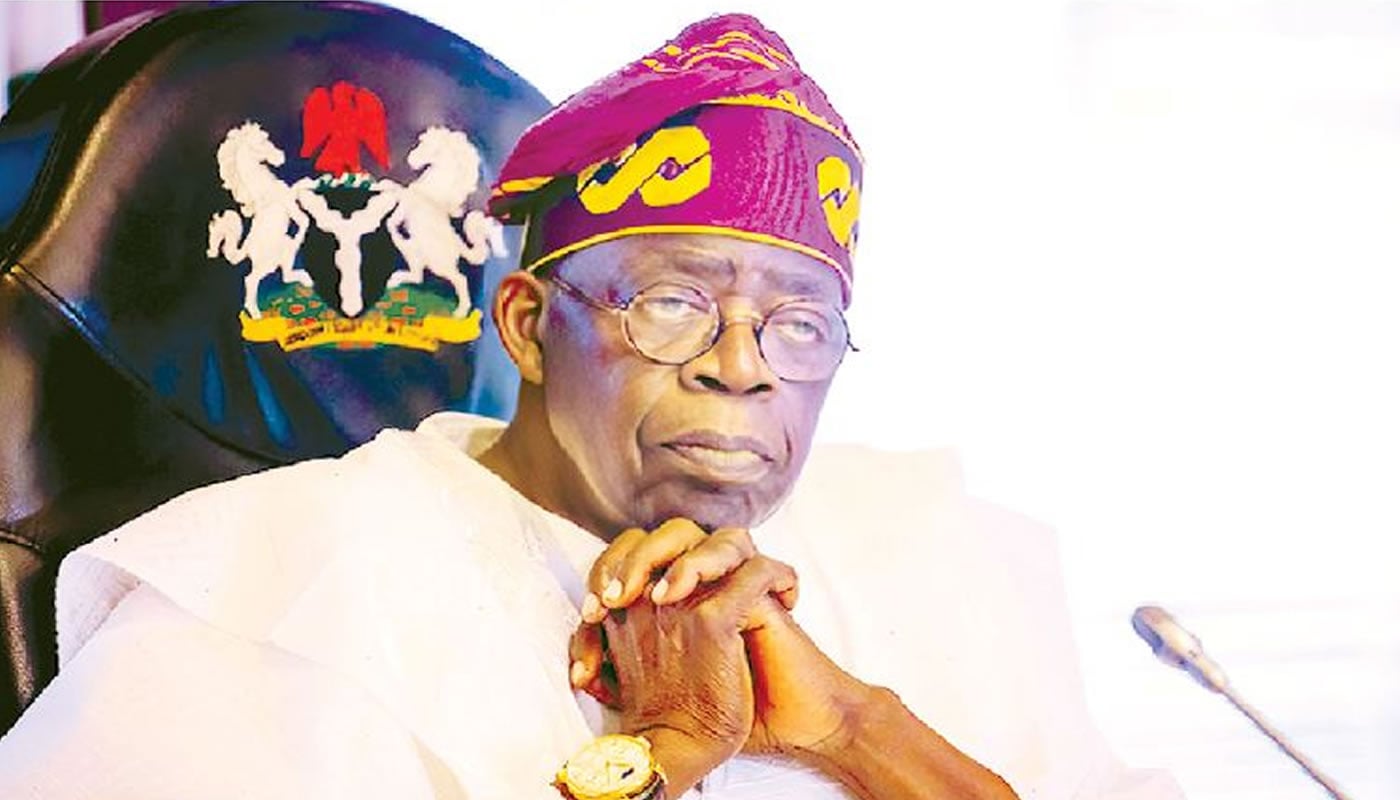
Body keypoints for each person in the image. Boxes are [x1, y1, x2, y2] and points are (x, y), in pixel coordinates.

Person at [0, 13, 1181, 800]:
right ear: (524, 324)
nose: (741, 366)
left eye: (799, 326)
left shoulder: (919, 540)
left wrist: (855, 729)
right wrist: (662, 749)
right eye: (673, 303)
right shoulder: (282, 579)